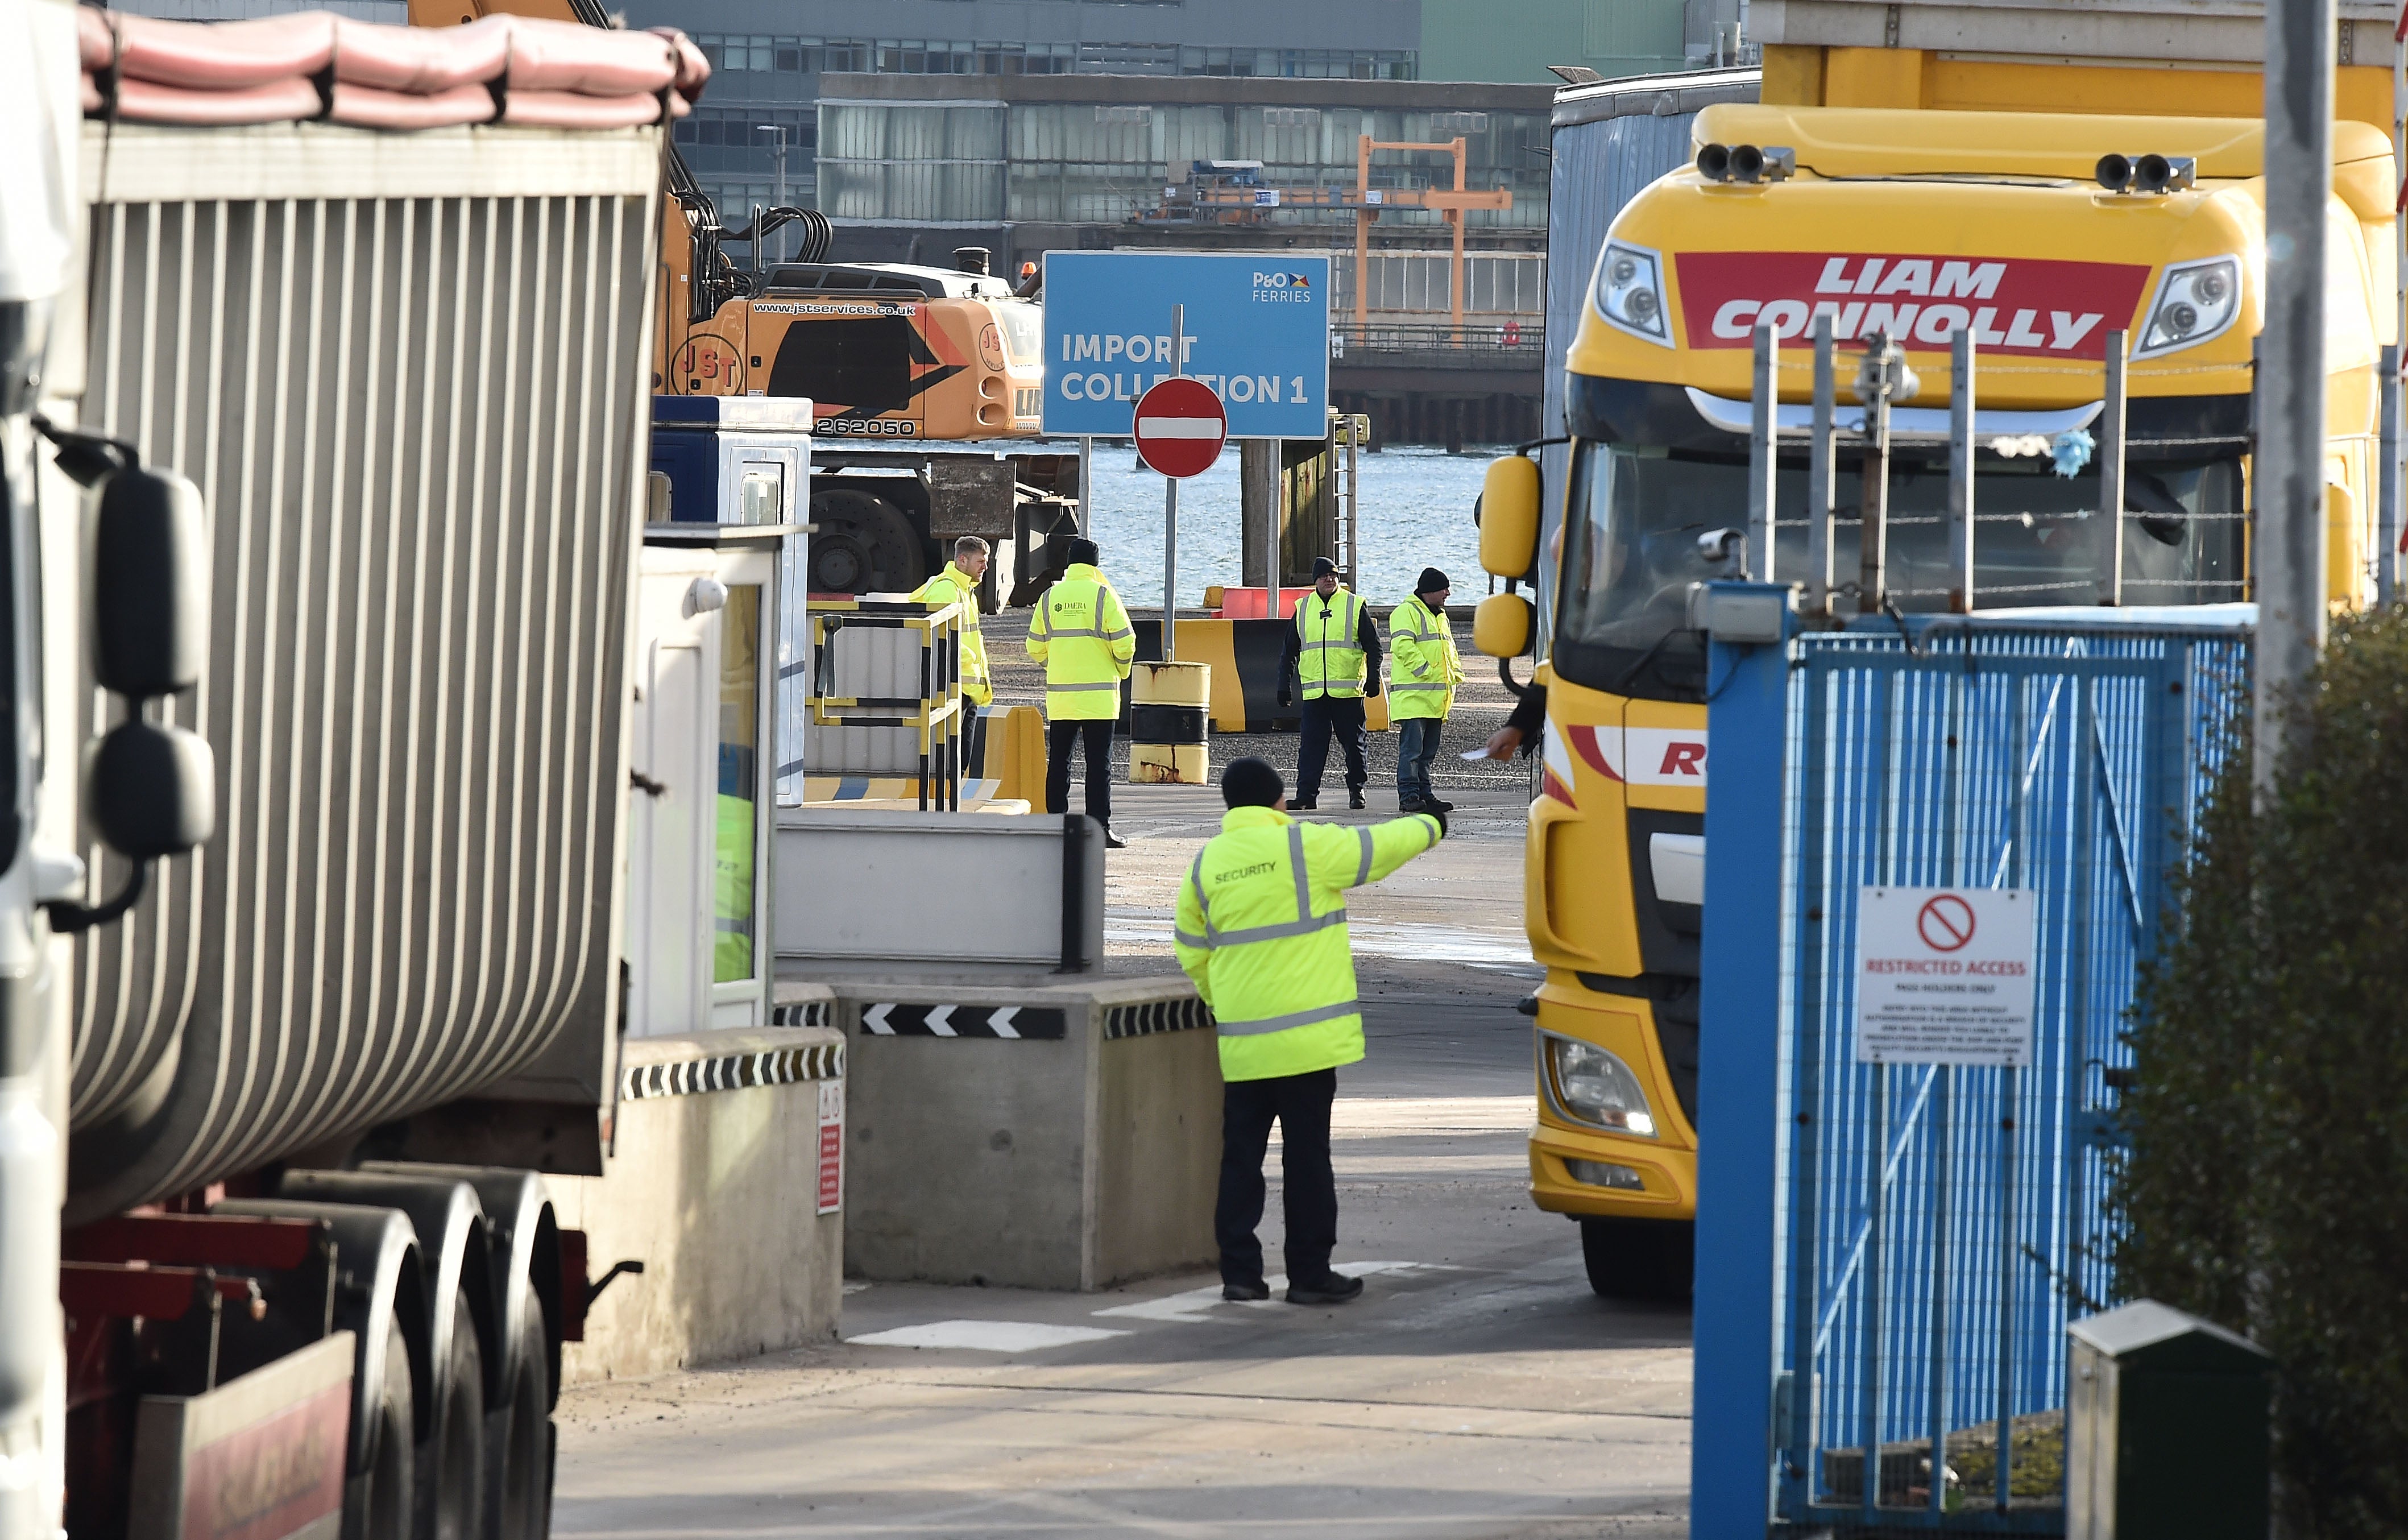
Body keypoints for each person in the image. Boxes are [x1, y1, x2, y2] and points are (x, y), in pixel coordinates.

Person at [1175, 757, 1445, 1306]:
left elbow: (1191, 949)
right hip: (1307, 1044)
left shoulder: (1207, 864)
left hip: (1244, 1043)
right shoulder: (1307, 848)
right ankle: (1309, 1274)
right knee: (1305, 1160)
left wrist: (1225, 1002)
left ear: (1229, 805)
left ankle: (1241, 1274)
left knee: (1239, 1160)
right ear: (1279, 803)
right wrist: (1433, 824)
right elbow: (1382, 846)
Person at [1026, 536, 1135, 847]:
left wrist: (1056, 664)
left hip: (1062, 697)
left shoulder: (1050, 597)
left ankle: (1056, 825)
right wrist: (1120, 670)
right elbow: (1126, 642)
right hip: (1099, 698)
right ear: (1096, 564)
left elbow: (1034, 646)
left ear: (1069, 563)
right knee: (1099, 766)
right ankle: (1099, 828)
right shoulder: (1103, 596)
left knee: (1059, 762)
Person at [1276, 556, 1382, 810]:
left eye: (1334, 575)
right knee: (1311, 749)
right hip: (1315, 695)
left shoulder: (1354, 606)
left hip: (1347, 694)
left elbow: (1374, 647)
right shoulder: (1302, 608)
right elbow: (1290, 651)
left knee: (1355, 747)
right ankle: (1306, 796)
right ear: (1315, 580)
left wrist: (1373, 677)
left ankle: (1357, 791)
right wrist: (1283, 685)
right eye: (1324, 576)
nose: (1329, 579)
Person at [909, 536, 993, 775]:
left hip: (965, 688)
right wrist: (970, 665)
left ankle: (946, 807)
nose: (985, 567)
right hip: (954, 687)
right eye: (980, 561)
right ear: (962, 560)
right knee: (951, 760)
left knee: (959, 759)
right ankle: (942, 809)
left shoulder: (965, 590)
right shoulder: (947, 589)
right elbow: (941, 638)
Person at [1387, 566, 1463, 814]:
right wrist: (1425, 670)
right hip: (1414, 697)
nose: (1448, 593)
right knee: (1412, 753)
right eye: (1444, 588)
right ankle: (1409, 796)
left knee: (1426, 753)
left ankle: (1424, 795)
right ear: (1430, 591)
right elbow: (1402, 646)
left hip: (1435, 699)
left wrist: (1456, 675)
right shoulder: (1406, 612)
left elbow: (1448, 651)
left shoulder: (1440, 616)